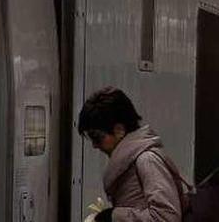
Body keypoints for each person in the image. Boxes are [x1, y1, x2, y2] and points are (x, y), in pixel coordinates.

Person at [78, 87, 183, 222]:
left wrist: (113, 216)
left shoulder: (146, 160)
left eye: (97, 137)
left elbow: (166, 218)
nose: (94, 145)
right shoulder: (131, 162)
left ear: (119, 130)